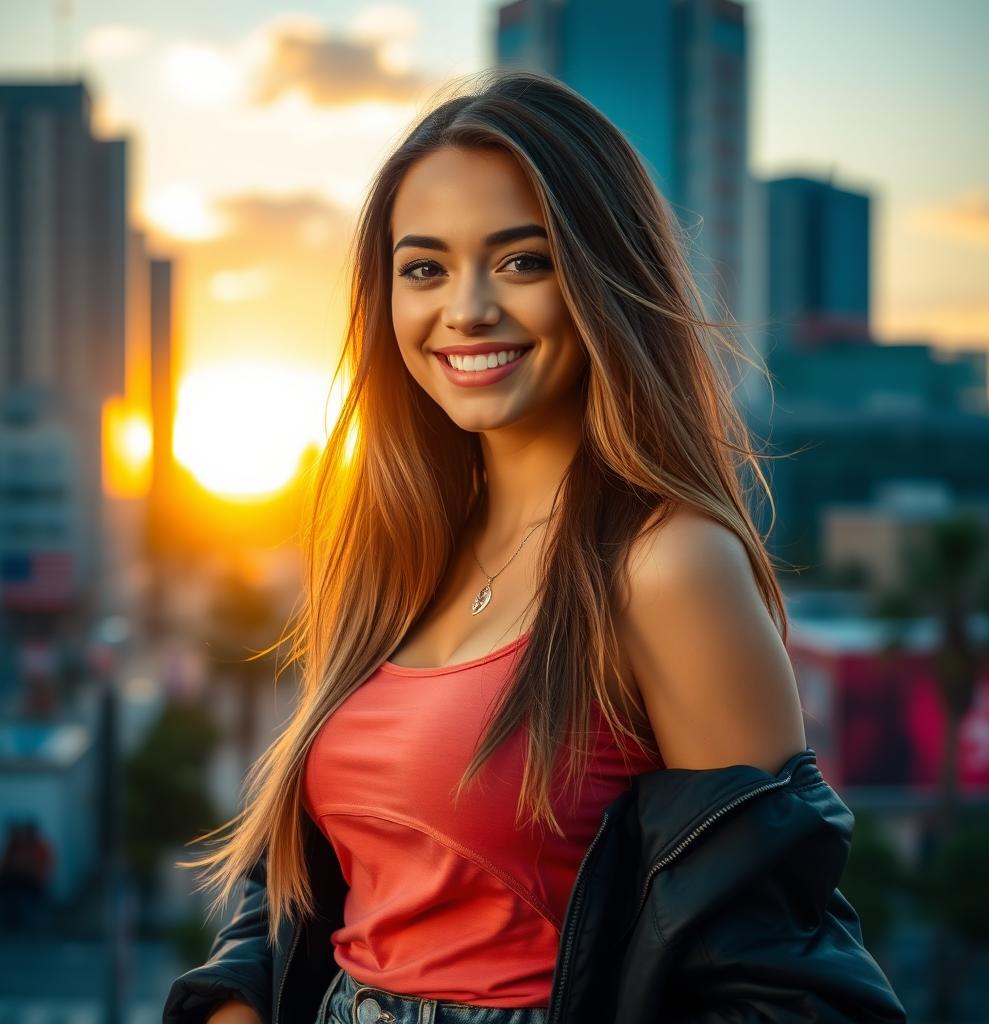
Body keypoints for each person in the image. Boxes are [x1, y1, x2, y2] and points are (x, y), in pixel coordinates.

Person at [164, 69, 906, 1024]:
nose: (467, 309)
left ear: (605, 278)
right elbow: (337, 869)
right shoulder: (403, 550)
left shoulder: (667, 565)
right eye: (424, 268)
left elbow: (778, 971)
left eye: (523, 260)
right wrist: (238, 999)